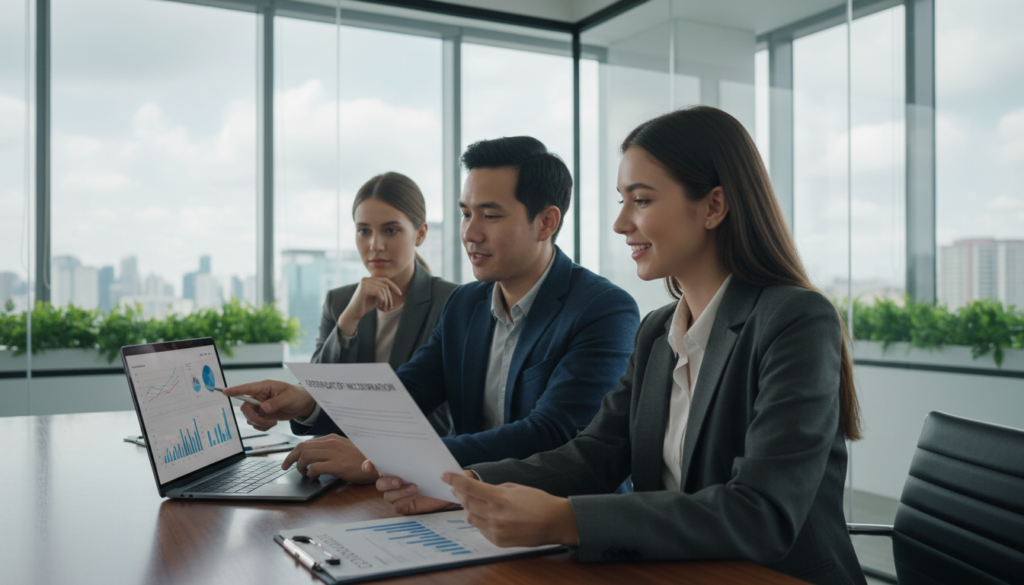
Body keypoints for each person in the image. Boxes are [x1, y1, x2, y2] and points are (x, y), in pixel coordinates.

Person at [379, 108, 867, 585]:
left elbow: (760, 513)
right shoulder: (658, 331)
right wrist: (468, 486)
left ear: (714, 206)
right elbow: (597, 454)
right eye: (621, 201)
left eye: (642, 201)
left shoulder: (795, 320)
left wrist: (565, 520)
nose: (621, 224)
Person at [225, 136, 640, 489]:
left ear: (547, 222)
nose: (470, 233)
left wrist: (381, 458)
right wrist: (306, 402)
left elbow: (553, 434)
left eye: (490, 215)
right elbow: (400, 394)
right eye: (465, 214)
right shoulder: (466, 305)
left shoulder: (604, 309)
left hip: (562, 524)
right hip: (464, 508)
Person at [308, 172, 457, 442]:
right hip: (342, 461)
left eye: (391, 230)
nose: (375, 245)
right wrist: (348, 322)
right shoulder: (339, 302)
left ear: (420, 233)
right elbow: (317, 393)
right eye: (364, 231)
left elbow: (442, 416)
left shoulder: (451, 301)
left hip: (419, 461)